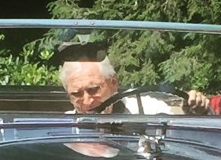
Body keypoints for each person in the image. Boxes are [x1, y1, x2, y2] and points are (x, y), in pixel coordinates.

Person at [56, 41, 212, 115]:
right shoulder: (62, 129)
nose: (87, 101)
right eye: (76, 94)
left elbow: (174, 128)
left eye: (93, 89)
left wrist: (193, 110)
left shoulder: (146, 109)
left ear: (113, 82)